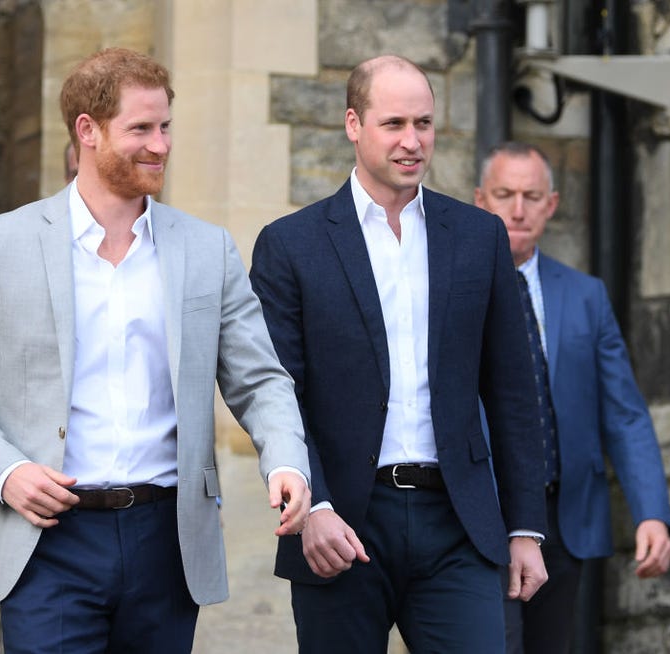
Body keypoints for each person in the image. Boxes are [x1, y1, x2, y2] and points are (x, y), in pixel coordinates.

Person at [0, 47, 311, 653]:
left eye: (166, 127)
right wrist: (6, 470)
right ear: (89, 131)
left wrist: (286, 460)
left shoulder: (208, 249)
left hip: (168, 538)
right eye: (141, 129)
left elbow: (259, 380)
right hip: (46, 538)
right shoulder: (4, 242)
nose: (161, 144)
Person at [250, 55, 548, 653]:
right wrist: (315, 506)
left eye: (425, 123)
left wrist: (525, 528)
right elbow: (277, 393)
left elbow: (513, 390)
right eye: (394, 124)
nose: (413, 142)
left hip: (457, 521)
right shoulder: (290, 245)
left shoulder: (479, 235)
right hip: (341, 524)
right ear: (353, 124)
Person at [474, 141, 670, 653]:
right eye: (504, 194)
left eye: (531, 196)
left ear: (552, 205)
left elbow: (625, 415)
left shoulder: (586, 296)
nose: (518, 209)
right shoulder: (454, 289)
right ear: (480, 200)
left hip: (565, 519)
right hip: (482, 517)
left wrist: (651, 511)